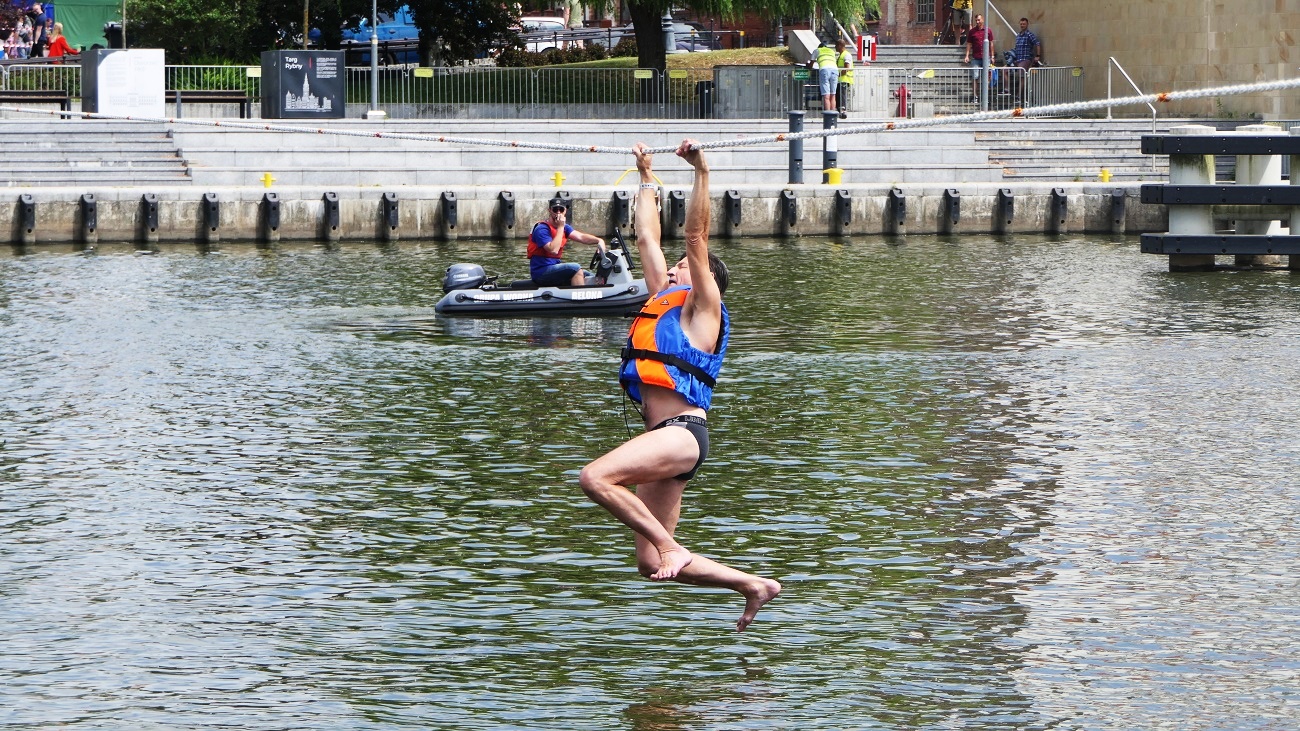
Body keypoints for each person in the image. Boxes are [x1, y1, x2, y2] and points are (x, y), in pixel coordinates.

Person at [578, 139, 782, 633]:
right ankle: (753, 585)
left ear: (705, 279)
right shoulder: (665, 303)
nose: (672, 268)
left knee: (595, 478)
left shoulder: (703, 309)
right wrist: (646, 176)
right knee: (649, 565)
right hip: (665, 440)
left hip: (682, 433)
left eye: (682, 267)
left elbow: (696, 236)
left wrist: (701, 172)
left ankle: (673, 546)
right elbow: (647, 237)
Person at [528, 197, 606, 287]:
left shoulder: (565, 227)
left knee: (590, 275)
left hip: (554, 268)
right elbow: (553, 250)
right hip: (541, 272)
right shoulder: (542, 229)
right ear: (549, 210)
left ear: (565, 211)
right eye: (555, 209)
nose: (558, 213)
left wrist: (599, 240)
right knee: (575, 268)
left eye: (561, 210)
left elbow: (581, 237)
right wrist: (560, 227)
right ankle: (580, 295)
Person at [1011, 17, 1042, 105]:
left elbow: (1037, 43)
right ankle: (1006, 91)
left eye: (1024, 24)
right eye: (1021, 24)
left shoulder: (1029, 35)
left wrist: (1038, 56)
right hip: (1017, 59)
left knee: (1022, 76)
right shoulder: (1018, 35)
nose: (1022, 25)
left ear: (1027, 24)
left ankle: (1018, 96)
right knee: (1004, 70)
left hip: (1025, 59)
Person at [963, 14, 994, 100]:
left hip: (986, 57)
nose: (977, 22)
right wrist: (967, 56)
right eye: (976, 20)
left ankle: (986, 97)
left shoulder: (988, 31)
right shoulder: (972, 31)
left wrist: (992, 56)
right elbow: (969, 44)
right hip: (976, 57)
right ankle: (975, 96)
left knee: (986, 78)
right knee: (975, 77)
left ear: (983, 20)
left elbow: (991, 43)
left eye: (979, 20)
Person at [834, 38, 855, 119]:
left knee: (842, 96)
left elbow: (846, 68)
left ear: (840, 45)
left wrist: (838, 74)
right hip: (840, 80)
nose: (835, 47)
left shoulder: (846, 55)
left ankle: (843, 112)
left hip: (844, 79)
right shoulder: (841, 55)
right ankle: (840, 112)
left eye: (836, 45)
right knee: (839, 96)